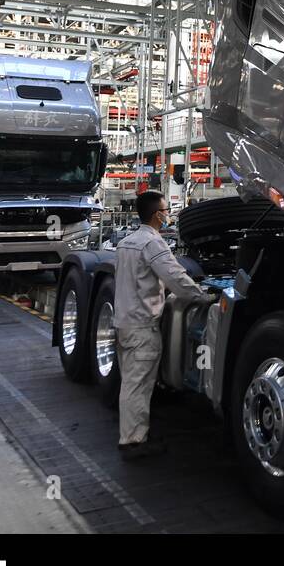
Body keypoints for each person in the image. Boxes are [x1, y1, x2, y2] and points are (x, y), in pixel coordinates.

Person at [113, 190, 214, 459]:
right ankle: (133, 442)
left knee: (131, 383)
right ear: (158, 214)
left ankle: (133, 434)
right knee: (138, 386)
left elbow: (136, 280)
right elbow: (175, 277)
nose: (168, 215)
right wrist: (202, 296)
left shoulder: (127, 242)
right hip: (143, 327)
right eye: (167, 211)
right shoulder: (152, 244)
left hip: (124, 323)